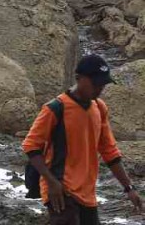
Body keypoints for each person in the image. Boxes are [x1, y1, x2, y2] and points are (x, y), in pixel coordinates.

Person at [23, 55, 142, 224]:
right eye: (95, 83)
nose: (99, 88)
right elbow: (30, 145)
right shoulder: (56, 108)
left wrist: (129, 188)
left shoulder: (99, 108)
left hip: (87, 194)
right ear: (79, 79)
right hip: (62, 191)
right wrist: (52, 182)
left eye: (103, 84)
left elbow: (110, 152)